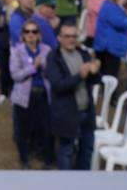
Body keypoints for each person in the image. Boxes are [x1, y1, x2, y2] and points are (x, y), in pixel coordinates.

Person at [46, 23, 102, 170]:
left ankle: (83, 183)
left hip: (86, 111)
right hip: (66, 113)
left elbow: (96, 81)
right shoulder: (54, 57)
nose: (71, 39)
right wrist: (79, 76)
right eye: (67, 36)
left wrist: (95, 72)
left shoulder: (83, 54)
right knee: (66, 151)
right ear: (59, 38)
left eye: (74, 36)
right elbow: (58, 85)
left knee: (87, 149)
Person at [9, 20, 53, 169]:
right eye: (27, 32)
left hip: (43, 96)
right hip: (23, 97)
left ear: (39, 35)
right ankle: (24, 159)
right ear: (23, 35)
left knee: (45, 128)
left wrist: (44, 65)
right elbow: (15, 75)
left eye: (34, 32)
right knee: (23, 130)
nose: (30, 35)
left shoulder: (47, 50)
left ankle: (45, 158)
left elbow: (51, 73)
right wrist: (33, 68)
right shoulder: (17, 51)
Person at [93, 0, 127, 101]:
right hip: (109, 46)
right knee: (110, 74)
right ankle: (111, 98)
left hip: (108, 45)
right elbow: (120, 23)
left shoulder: (112, 6)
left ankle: (108, 96)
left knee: (108, 73)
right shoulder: (109, 7)